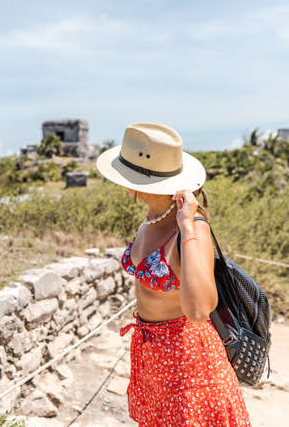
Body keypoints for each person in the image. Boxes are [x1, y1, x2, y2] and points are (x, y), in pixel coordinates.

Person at [96, 123, 252, 426]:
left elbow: (198, 310)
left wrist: (188, 228)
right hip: (154, 362)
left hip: (190, 370)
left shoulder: (192, 226)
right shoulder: (151, 218)